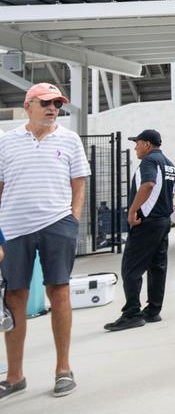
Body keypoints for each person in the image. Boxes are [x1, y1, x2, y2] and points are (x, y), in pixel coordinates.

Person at [0, 83, 89, 399]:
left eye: (58, 104)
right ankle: (14, 376)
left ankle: (63, 370)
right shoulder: (6, 142)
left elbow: (79, 182)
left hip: (57, 225)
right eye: (47, 103)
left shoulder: (69, 139)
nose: (53, 108)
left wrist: (73, 219)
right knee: (14, 298)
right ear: (28, 105)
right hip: (14, 229)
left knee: (60, 292)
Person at [104, 129, 175, 332]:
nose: (135, 147)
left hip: (147, 222)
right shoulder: (169, 164)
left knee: (131, 268)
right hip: (163, 220)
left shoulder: (149, 161)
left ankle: (132, 314)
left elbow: (148, 184)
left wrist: (132, 211)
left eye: (137, 143)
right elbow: (170, 194)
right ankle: (153, 311)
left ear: (147, 144)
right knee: (157, 266)